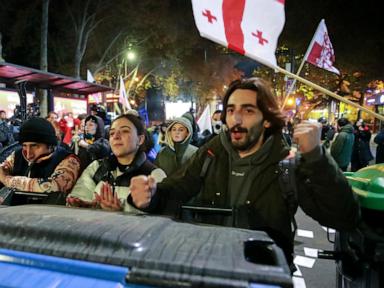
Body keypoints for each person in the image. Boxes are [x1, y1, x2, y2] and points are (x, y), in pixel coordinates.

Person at [129, 77, 359, 268]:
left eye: (248, 110)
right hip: (211, 268)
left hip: (264, 275)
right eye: (231, 110)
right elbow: (176, 190)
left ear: (267, 120)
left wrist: (317, 157)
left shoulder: (288, 163)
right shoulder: (211, 152)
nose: (236, 120)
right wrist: (150, 196)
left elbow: (343, 218)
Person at [67, 113, 166, 212]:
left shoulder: (155, 175)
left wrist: (121, 214)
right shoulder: (97, 167)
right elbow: (77, 199)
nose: (116, 137)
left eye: (125, 131)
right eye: (112, 133)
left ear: (140, 139)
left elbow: (162, 220)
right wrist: (85, 207)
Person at [0, 117, 80, 205]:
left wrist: (6, 179)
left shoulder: (69, 160)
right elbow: (2, 169)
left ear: (49, 145)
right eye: (24, 146)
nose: (28, 154)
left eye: (34, 146)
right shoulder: (18, 155)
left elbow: (55, 186)